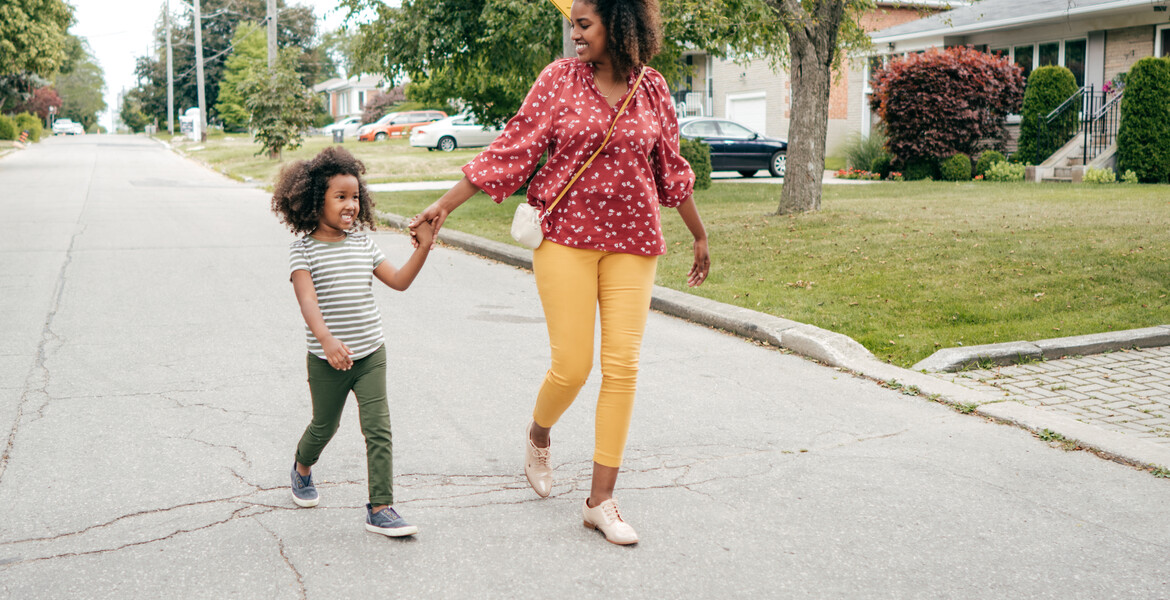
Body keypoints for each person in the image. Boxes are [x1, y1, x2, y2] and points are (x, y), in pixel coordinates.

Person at [410, 0, 709, 545]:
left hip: (633, 242)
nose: (575, 34)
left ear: (619, 26)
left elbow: (670, 166)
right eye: (573, 23)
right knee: (573, 366)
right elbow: (512, 151)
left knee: (622, 369)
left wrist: (699, 232)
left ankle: (601, 501)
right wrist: (445, 205)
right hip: (564, 239)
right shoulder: (559, 80)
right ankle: (539, 433)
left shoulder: (653, 88)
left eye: (584, 24)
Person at [272, 146, 434, 538]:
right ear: (315, 202)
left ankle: (381, 507)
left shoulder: (363, 244)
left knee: (378, 428)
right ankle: (302, 468)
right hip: (327, 359)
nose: (351, 205)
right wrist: (326, 339)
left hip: (370, 354)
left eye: (355, 196)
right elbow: (307, 300)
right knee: (324, 426)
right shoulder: (303, 251)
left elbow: (398, 281)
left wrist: (425, 246)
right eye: (340, 197)